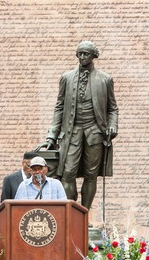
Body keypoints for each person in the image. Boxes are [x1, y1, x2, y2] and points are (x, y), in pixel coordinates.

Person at [46, 40, 118, 209]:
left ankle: (85, 215)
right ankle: (72, 213)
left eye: (86, 54)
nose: (82, 57)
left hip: (95, 133)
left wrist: (113, 125)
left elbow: (112, 108)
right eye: (80, 53)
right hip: (71, 132)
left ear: (94, 56)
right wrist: (51, 135)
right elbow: (59, 107)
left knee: (91, 175)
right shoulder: (67, 78)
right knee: (67, 173)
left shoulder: (105, 79)